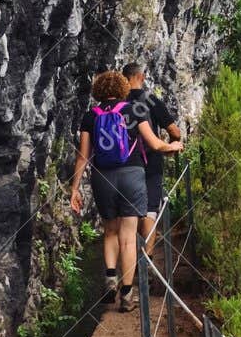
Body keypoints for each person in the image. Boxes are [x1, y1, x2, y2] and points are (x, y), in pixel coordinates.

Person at [69, 70, 183, 312]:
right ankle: (127, 295)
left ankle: (110, 278)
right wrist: (173, 145)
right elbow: (154, 144)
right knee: (128, 238)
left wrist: (74, 188)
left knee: (110, 230)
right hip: (132, 175)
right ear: (122, 89)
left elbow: (83, 156)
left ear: (98, 91)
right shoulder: (134, 110)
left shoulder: (91, 116)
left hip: (102, 177)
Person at [122, 62, 182, 258]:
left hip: (123, 163)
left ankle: (127, 259)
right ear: (141, 76)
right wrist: (172, 146)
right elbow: (174, 130)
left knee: (128, 211)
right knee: (149, 209)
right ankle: (145, 258)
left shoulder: (117, 101)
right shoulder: (150, 100)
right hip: (150, 161)